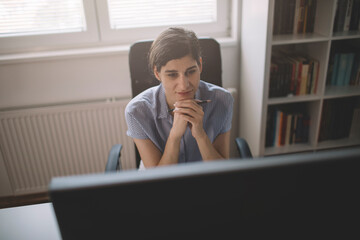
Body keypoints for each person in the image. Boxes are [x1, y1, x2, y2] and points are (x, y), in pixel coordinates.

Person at [125, 27, 233, 169]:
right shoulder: (136, 111)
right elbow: (156, 180)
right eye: (172, 74)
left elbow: (222, 171)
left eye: (191, 71)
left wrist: (200, 135)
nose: (184, 85)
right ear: (157, 73)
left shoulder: (223, 101)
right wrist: (175, 136)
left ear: (199, 65)